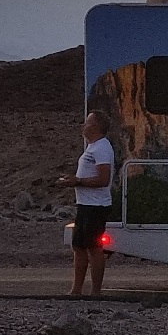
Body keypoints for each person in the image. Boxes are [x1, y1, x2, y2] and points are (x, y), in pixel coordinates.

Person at [57, 111, 115, 295]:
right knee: (79, 246)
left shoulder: (101, 148)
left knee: (94, 247)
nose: (84, 125)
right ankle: (76, 290)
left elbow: (103, 179)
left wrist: (79, 181)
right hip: (85, 204)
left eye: (88, 123)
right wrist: (74, 180)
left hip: (96, 206)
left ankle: (96, 292)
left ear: (96, 126)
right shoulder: (92, 148)